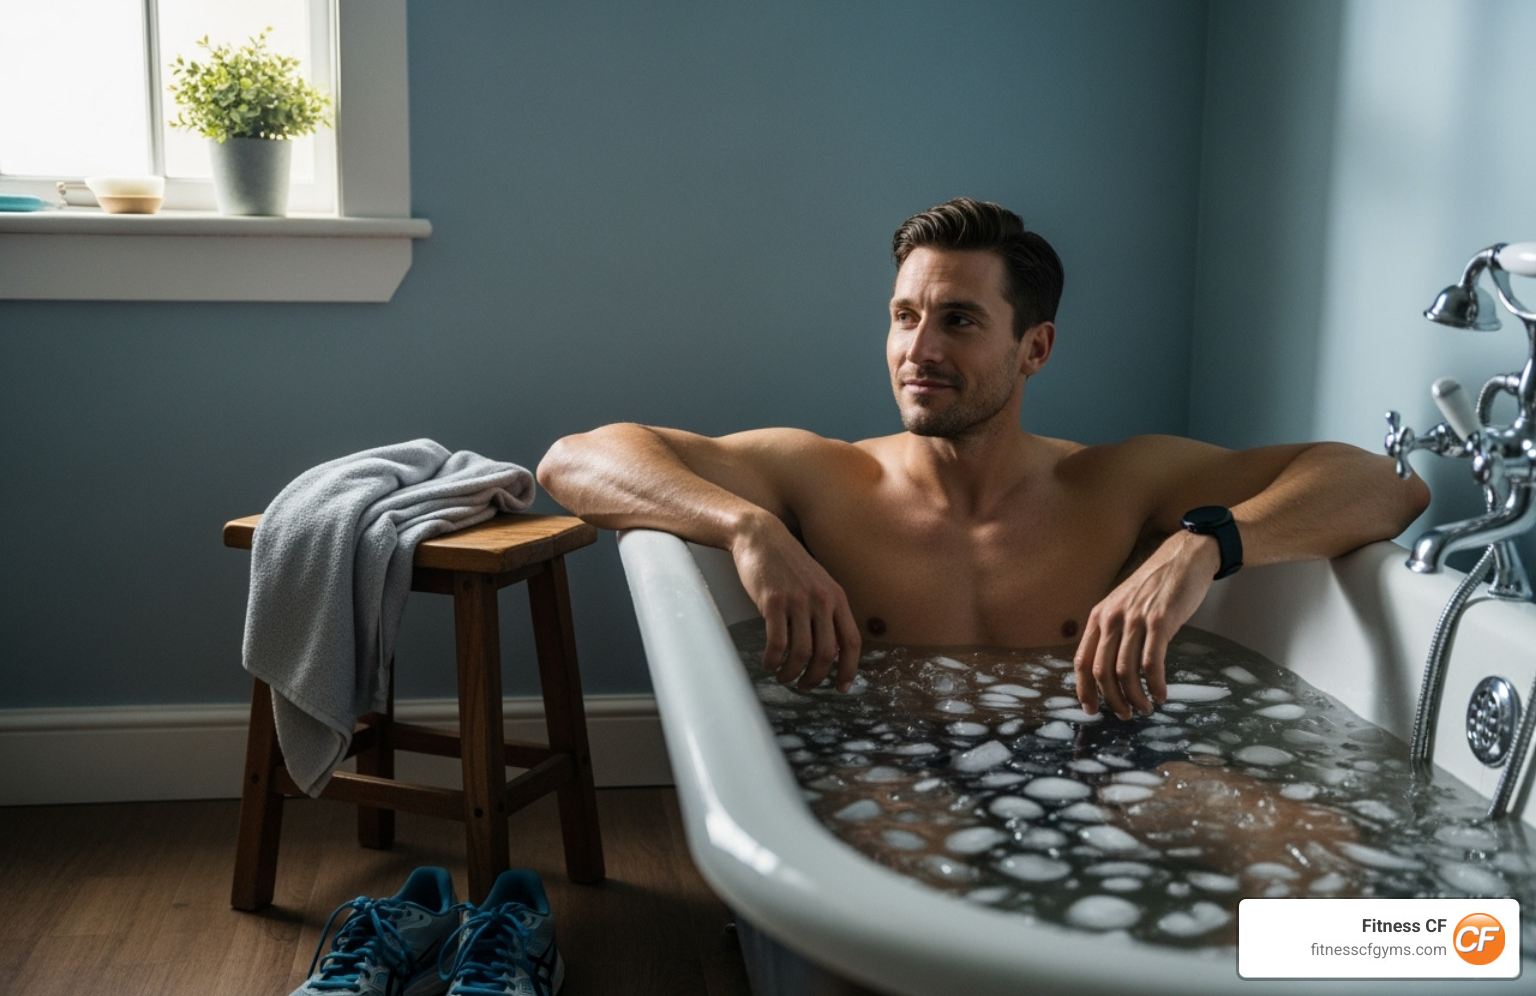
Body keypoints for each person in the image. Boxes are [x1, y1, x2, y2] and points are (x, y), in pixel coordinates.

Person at [537, 198, 1429, 719]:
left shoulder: (1116, 485)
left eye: (958, 319)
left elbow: (1385, 483)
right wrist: (746, 527)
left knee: (1310, 843)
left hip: (1087, 777)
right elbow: (576, 460)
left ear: (1033, 349)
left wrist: (1202, 548)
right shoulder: (823, 476)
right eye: (903, 315)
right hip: (889, 775)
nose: (918, 348)